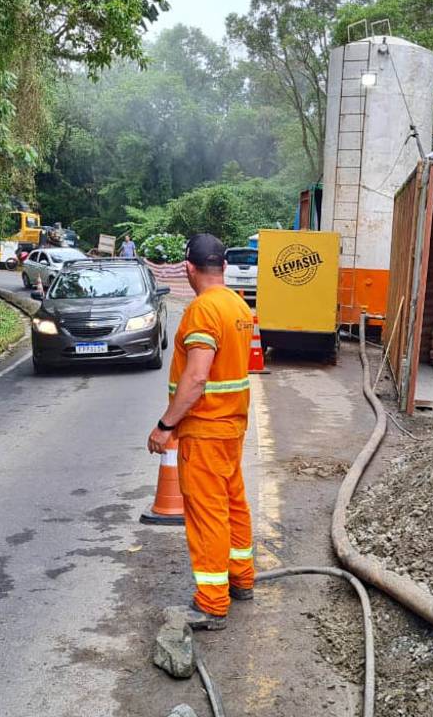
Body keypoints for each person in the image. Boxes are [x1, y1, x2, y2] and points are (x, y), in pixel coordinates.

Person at [147, 233, 255, 630]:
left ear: (189, 268)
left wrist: (165, 426)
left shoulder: (203, 311)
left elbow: (195, 379)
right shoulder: (237, 305)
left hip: (206, 429)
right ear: (224, 266)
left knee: (208, 513)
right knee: (233, 502)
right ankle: (241, 579)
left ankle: (211, 602)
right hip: (231, 427)